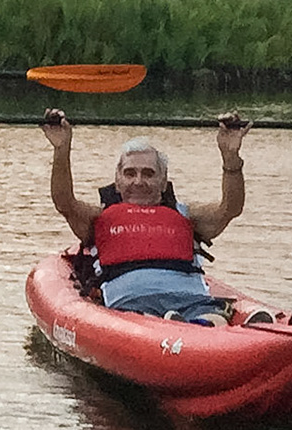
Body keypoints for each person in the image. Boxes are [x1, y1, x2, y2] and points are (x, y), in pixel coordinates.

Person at [41, 108, 251, 325]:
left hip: (191, 301)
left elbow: (231, 208)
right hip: (131, 309)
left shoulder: (186, 215)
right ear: (118, 181)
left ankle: (199, 325)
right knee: (151, 319)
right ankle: (181, 326)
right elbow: (64, 202)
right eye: (130, 173)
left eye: (148, 173)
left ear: (163, 181)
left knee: (215, 317)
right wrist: (61, 149)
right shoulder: (97, 217)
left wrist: (231, 157)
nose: (138, 181)